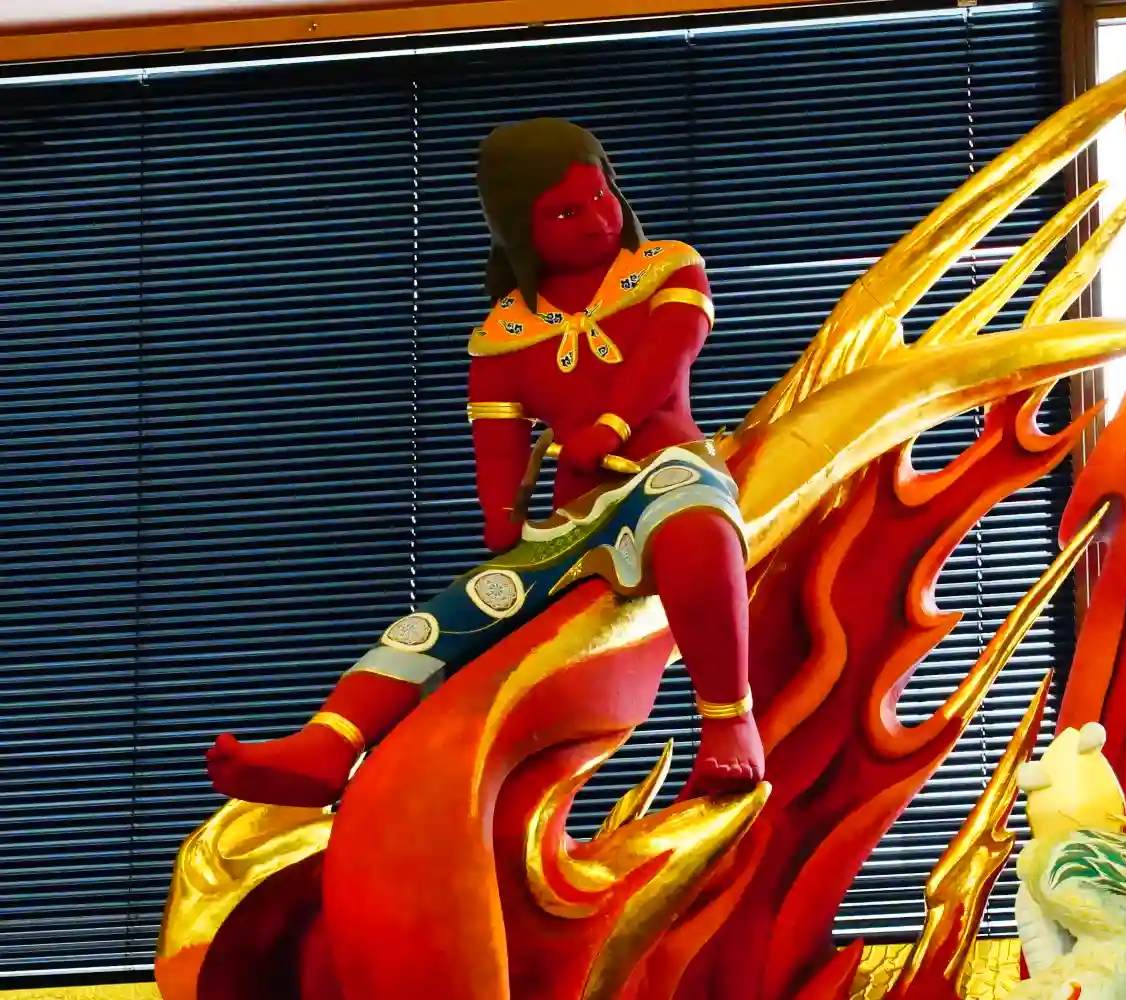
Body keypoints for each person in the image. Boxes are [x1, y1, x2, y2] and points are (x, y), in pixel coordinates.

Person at [205, 118, 764, 807]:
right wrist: (501, 515)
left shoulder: (666, 267)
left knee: (700, 533)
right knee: (450, 614)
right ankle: (329, 742)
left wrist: (612, 426)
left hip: (670, 470)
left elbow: (669, 352)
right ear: (521, 232)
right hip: (570, 518)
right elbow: (497, 440)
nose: (597, 220)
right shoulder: (503, 332)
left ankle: (730, 723)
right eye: (566, 213)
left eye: (601, 197)